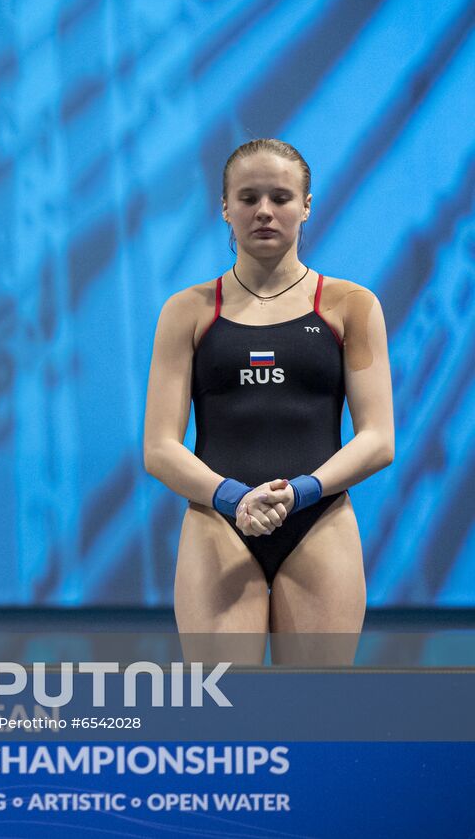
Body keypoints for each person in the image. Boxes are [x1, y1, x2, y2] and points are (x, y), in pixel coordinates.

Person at [143, 139, 393, 665]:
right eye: (248, 197)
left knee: (316, 715)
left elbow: (378, 440)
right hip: (218, 522)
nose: (263, 211)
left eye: (280, 197)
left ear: (306, 205)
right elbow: (160, 447)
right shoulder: (187, 311)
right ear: (224, 207)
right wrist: (235, 499)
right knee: (224, 716)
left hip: (319, 522)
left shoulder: (351, 305)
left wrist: (301, 493)